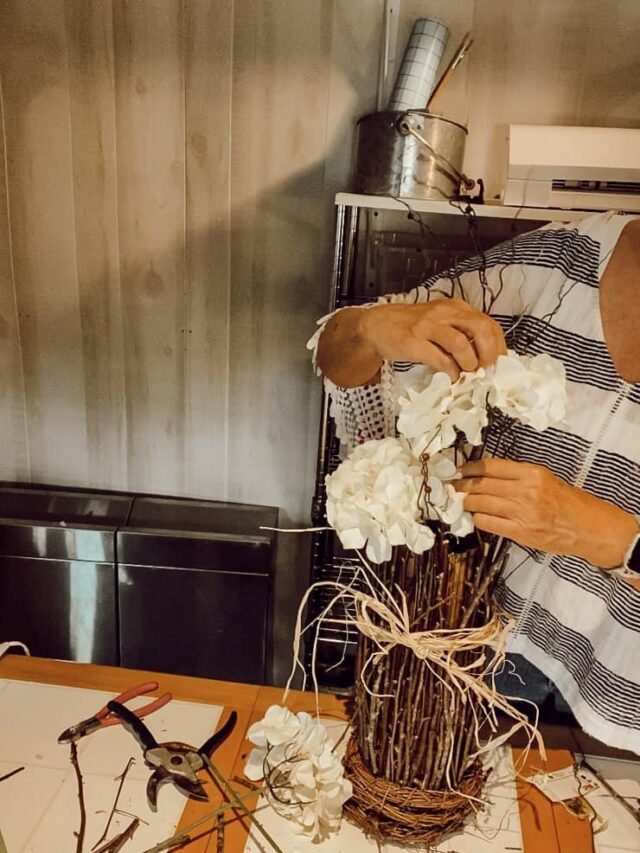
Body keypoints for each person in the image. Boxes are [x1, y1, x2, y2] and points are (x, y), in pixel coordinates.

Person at [310, 211, 640, 752]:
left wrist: (620, 542)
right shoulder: (557, 263)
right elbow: (341, 359)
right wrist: (370, 327)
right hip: (467, 638)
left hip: (619, 701)